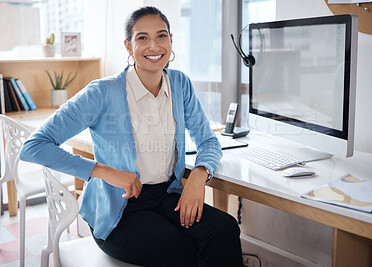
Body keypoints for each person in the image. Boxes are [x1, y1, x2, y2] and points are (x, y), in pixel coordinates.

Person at [20, 6, 243, 267]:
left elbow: (208, 141)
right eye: (142, 38)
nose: (154, 46)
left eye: (161, 36)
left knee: (225, 230)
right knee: (184, 250)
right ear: (128, 46)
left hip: (167, 195)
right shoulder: (102, 92)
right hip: (119, 209)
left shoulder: (181, 84)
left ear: (171, 41)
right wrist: (104, 171)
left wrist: (198, 175)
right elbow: (34, 146)